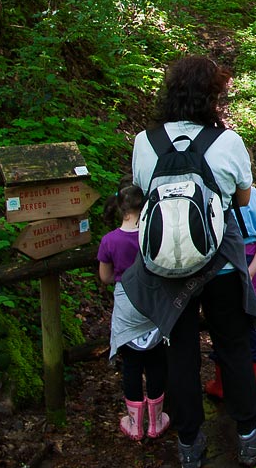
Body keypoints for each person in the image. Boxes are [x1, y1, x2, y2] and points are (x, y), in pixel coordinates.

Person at [122, 56, 256, 468]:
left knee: (180, 355)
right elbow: (243, 199)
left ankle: (189, 445)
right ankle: (250, 435)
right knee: (232, 346)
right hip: (223, 265)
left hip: (168, 265)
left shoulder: (145, 141)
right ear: (212, 97)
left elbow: (144, 192)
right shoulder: (226, 141)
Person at [98, 185, 169, 442]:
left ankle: (134, 423)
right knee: (156, 361)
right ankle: (157, 420)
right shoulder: (153, 235)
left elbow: (105, 276)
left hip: (126, 305)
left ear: (120, 208)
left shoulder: (109, 241)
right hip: (153, 304)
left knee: (131, 365)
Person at [204, 185, 256, 396]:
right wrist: (250, 273)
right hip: (253, 268)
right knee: (254, 326)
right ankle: (253, 382)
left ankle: (222, 384)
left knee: (221, 328)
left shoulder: (212, 198)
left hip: (220, 268)